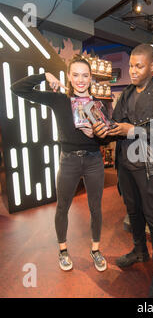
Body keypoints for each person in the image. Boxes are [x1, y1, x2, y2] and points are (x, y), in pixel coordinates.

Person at [93, 44, 153, 298]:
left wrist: (133, 131)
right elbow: (116, 125)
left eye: (139, 66)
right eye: (131, 65)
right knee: (134, 214)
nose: (132, 71)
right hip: (127, 167)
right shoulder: (127, 93)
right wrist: (103, 131)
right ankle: (140, 251)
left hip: (152, 170)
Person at [11, 55, 108, 272]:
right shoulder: (59, 100)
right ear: (69, 77)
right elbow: (17, 89)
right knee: (62, 207)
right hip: (69, 161)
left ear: (91, 78)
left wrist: (96, 133)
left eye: (85, 75)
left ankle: (96, 250)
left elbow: (108, 137)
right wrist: (44, 76)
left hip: (94, 161)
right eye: (76, 75)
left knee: (95, 208)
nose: (80, 80)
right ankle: (63, 250)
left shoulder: (98, 105)